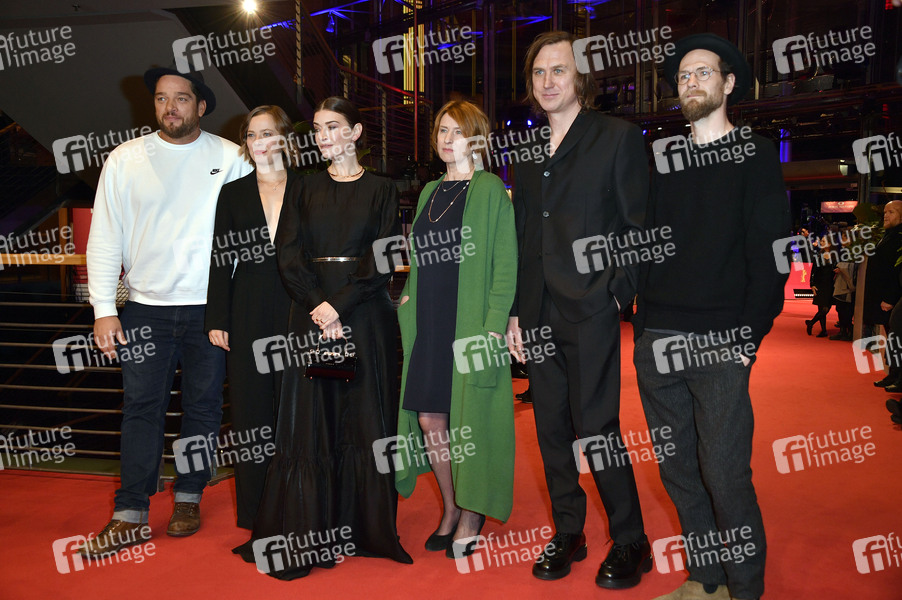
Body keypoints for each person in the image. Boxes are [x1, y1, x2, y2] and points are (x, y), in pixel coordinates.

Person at [634, 33, 790, 600]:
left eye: (703, 72)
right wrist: (642, 324)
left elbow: (770, 253)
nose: (691, 82)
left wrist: (748, 337)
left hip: (721, 341)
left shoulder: (755, 154)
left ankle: (745, 589)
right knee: (677, 471)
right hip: (657, 339)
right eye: (683, 76)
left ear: (728, 84)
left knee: (723, 472)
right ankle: (706, 580)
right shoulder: (661, 158)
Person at [233, 96, 412, 578]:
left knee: (362, 419)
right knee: (315, 421)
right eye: (317, 128)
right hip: (312, 319)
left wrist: (340, 305)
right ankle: (312, 532)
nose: (323, 137)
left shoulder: (382, 188)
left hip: (364, 317)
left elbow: (383, 254)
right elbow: (288, 254)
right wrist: (319, 305)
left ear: (355, 133)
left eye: (333, 126)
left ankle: (361, 530)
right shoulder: (304, 187)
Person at [80, 65, 251, 557]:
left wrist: (235, 307)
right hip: (143, 310)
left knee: (203, 409)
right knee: (140, 409)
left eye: (181, 98)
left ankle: (190, 497)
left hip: (209, 310)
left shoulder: (231, 157)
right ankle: (130, 512)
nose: (170, 107)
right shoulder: (125, 158)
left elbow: (249, 238)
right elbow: (105, 237)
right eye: (161, 98)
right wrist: (103, 309)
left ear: (201, 105)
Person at [506, 30, 652, 589]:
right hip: (538, 311)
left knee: (597, 428)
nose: (548, 82)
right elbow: (524, 236)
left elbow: (637, 225)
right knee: (549, 428)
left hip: (590, 306)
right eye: (539, 72)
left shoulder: (616, 138)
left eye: (559, 70)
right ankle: (569, 530)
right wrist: (517, 313)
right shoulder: (525, 150)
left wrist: (615, 292)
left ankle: (631, 538)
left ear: (581, 78)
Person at [395, 100, 517, 558]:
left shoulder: (489, 189)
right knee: (431, 419)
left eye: (458, 131)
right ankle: (450, 505)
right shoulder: (430, 190)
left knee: (470, 417)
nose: (448, 139)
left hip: (470, 322)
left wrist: (494, 324)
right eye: (443, 130)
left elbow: (505, 261)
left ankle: (471, 510)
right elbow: (419, 254)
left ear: (477, 139)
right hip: (430, 319)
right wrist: (409, 294)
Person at [204, 105, 296, 529]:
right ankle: (257, 513)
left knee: (296, 409)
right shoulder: (234, 193)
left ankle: (299, 506)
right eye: (252, 135)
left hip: (299, 306)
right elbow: (221, 259)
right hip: (248, 309)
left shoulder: (309, 189)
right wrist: (217, 317)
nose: (259, 143)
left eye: (267, 133)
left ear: (285, 138)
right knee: (251, 412)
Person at [865, 201, 902, 389]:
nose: (886, 215)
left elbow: (898, 272)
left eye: (891, 212)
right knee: (892, 338)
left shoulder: (900, 238)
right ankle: (893, 375)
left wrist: (890, 297)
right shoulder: (888, 235)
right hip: (882, 297)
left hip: (892, 298)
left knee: (897, 339)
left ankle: (898, 378)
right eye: (885, 212)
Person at [806, 237, 836, 338]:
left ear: (830, 243)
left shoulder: (835, 255)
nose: (821, 242)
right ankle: (823, 330)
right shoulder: (818, 256)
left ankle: (811, 323)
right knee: (822, 308)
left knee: (826, 308)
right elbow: (813, 271)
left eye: (823, 241)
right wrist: (812, 284)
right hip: (820, 285)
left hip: (831, 285)